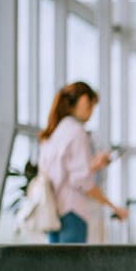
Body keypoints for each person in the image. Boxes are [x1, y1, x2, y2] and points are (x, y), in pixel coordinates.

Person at [38, 81, 128, 243]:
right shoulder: (77, 132)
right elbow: (83, 182)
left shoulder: (54, 132)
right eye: (91, 106)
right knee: (73, 268)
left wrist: (91, 166)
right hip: (72, 212)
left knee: (55, 267)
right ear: (83, 101)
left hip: (53, 212)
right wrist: (114, 207)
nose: (92, 112)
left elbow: (64, 173)